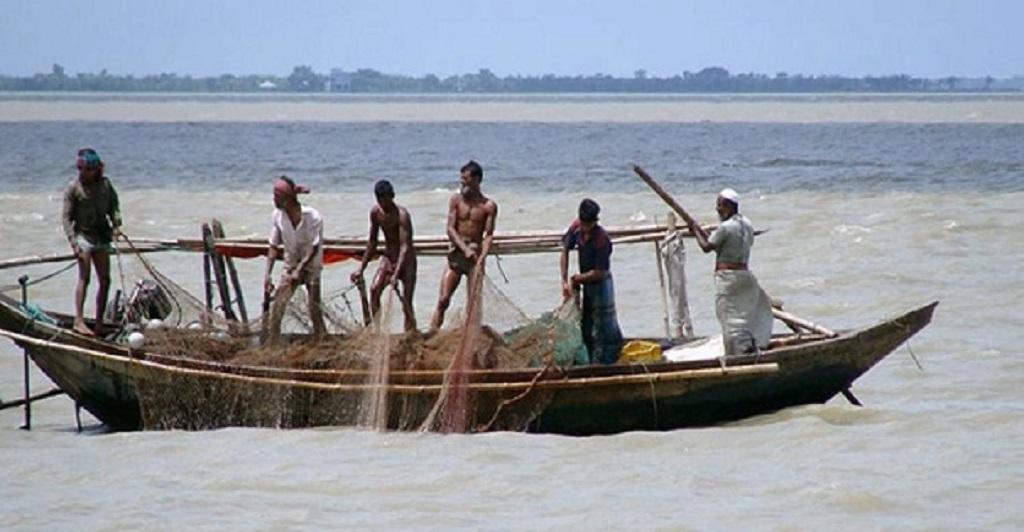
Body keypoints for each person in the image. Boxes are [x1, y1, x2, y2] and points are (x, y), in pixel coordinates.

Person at [688, 188, 773, 356]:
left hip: (728, 278)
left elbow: (706, 247)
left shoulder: (725, 227)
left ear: (728, 206)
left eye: (719, 205)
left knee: (728, 318)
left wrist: (694, 230)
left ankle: (735, 355)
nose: (717, 209)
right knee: (745, 316)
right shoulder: (748, 224)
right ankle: (749, 345)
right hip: (745, 275)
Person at [430, 160, 498, 331]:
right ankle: (433, 332)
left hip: (475, 257)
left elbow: (488, 235)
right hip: (457, 254)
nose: (462, 182)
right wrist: (464, 249)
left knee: (473, 306)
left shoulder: (488, 206)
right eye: (461, 178)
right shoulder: (456, 200)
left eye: (465, 179)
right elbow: (450, 229)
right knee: (443, 299)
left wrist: (482, 256)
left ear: (476, 180)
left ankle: (470, 339)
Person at [62, 148, 122, 336]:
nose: (81, 172)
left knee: (105, 280)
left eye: (85, 168)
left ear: (96, 169)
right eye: (79, 168)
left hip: (101, 236)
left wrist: (117, 224)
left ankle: (98, 323)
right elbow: (66, 218)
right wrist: (74, 244)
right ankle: (78, 321)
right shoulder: (74, 188)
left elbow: (114, 206)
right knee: (84, 278)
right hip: (83, 236)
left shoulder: (105, 185)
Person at [263, 176, 327, 344]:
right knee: (278, 306)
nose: (274, 200)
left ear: (287, 199)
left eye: (276, 197)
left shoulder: (313, 216)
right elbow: (273, 246)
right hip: (290, 267)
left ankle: (321, 341)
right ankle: (273, 344)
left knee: (314, 309)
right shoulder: (278, 216)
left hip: (311, 266)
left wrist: (301, 269)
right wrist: (267, 275)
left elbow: (314, 247)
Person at [560, 199, 624, 365]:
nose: (586, 228)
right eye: (584, 223)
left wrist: (577, 279)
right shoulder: (575, 228)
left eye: (589, 224)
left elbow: (599, 272)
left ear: (595, 221)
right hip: (586, 283)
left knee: (606, 325)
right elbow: (565, 250)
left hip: (601, 283)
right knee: (587, 324)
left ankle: (610, 362)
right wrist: (564, 281)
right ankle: (590, 362)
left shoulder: (602, 238)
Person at [351, 180, 418, 332]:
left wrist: (396, 273)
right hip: (388, 258)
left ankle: (410, 335)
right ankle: (378, 332)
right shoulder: (376, 213)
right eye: (379, 200)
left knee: (406, 301)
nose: (383, 204)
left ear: (392, 196)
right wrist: (361, 268)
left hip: (406, 261)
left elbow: (405, 246)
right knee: (374, 290)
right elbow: (372, 242)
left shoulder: (402, 215)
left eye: (385, 200)